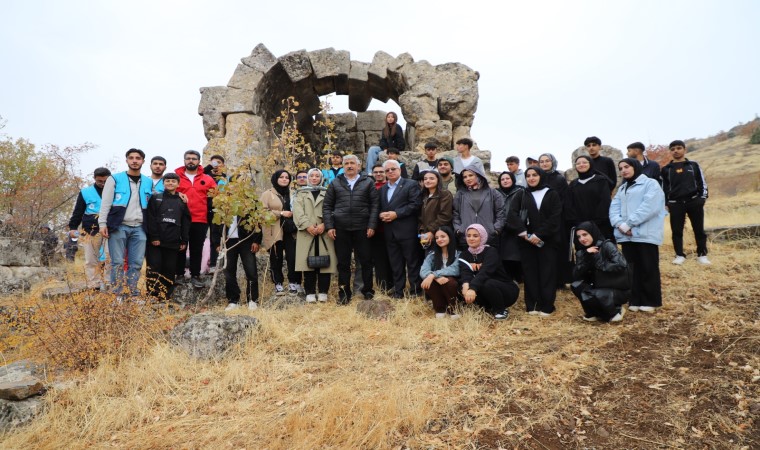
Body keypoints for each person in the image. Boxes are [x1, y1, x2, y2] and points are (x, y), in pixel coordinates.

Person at [609, 158, 666, 313]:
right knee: (631, 269)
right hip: (626, 236)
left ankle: (650, 301)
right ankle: (635, 299)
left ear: (635, 167)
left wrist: (629, 224)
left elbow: (649, 207)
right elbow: (613, 209)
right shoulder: (622, 188)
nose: (623, 170)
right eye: (621, 168)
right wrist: (620, 224)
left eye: (627, 167)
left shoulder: (650, 184)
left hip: (645, 233)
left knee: (648, 267)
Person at [323, 154, 379, 304]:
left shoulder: (368, 182)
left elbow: (375, 206)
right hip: (341, 229)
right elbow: (327, 206)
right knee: (343, 263)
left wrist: (372, 225)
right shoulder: (335, 182)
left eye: (352, 163)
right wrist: (329, 226)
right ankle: (344, 294)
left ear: (358, 166)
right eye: (346, 163)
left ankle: (367, 291)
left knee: (366, 261)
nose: (349, 166)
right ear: (343, 166)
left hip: (363, 228)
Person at [506, 167, 562, 316]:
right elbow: (512, 215)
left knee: (547, 273)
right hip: (526, 240)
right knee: (530, 273)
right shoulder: (522, 194)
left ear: (541, 176)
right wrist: (523, 232)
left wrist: (540, 234)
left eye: (534, 175)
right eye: (528, 175)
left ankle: (547, 306)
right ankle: (533, 305)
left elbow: (555, 217)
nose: (531, 178)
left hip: (547, 240)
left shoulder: (551, 193)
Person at [99, 148, 152, 298]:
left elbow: (155, 200)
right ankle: (118, 293)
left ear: (143, 161)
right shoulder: (114, 179)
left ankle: (132, 292)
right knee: (117, 262)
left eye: (138, 158)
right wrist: (102, 224)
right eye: (131, 158)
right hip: (119, 226)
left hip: (140, 227)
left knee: (136, 263)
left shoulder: (148, 181)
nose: (134, 161)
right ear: (127, 160)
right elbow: (105, 203)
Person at [661, 140, 710, 265]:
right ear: (670, 152)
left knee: (699, 229)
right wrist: (666, 203)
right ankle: (679, 255)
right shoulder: (666, 169)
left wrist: (702, 198)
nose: (676, 151)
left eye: (679, 148)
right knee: (676, 231)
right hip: (675, 203)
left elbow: (702, 182)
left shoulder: (693, 165)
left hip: (694, 201)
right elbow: (663, 188)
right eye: (672, 149)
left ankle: (702, 255)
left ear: (684, 149)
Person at [379, 159, 423, 298]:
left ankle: (415, 291)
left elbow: (415, 204)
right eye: (387, 170)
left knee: (412, 262)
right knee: (396, 264)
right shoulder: (383, 189)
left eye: (393, 169)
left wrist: (396, 214)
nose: (390, 172)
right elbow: (381, 207)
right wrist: (381, 214)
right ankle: (399, 292)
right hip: (390, 232)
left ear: (399, 169)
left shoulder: (411, 184)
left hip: (407, 231)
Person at [293, 168, 337, 303]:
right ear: (308, 178)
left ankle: (323, 292)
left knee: (325, 263)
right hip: (307, 232)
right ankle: (310, 292)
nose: (314, 178)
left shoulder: (328, 192)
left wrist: (325, 224)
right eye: (311, 175)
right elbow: (297, 211)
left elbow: (333, 209)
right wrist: (308, 225)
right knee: (308, 263)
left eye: (317, 176)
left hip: (324, 232)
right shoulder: (300, 193)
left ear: (321, 178)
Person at [459, 224, 519, 320]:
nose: (471, 238)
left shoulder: (491, 251)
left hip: (505, 290)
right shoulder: (464, 254)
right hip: (481, 288)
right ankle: (484, 308)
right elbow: (465, 272)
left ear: (482, 237)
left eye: (475, 236)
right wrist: (465, 285)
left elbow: (485, 272)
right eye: (468, 235)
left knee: (487, 283)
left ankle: (500, 310)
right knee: (461, 284)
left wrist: (472, 288)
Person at [571, 221, 629, 322]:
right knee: (576, 286)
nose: (582, 239)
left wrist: (600, 265)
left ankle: (616, 311)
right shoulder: (582, 251)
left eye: (585, 234)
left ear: (592, 232)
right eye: (579, 236)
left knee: (594, 294)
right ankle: (593, 313)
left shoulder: (607, 245)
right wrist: (586, 256)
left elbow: (622, 264)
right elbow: (576, 275)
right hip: (597, 285)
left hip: (616, 287)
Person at [175, 150, 217, 288]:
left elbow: (216, 195)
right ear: (184, 160)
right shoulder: (176, 177)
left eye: (194, 158)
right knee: (180, 247)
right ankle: (179, 274)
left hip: (200, 218)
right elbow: (169, 191)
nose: (191, 161)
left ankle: (195, 275)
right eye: (188, 158)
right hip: (180, 218)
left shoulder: (207, 179)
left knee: (196, 248)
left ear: (199, 161)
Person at [145, 173, 190, 301]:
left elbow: (186, 221)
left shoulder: (182, 201)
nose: (170, 183)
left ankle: (165, 296)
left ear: (178, 184)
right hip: (156, 241)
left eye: (173, 181)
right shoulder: (156, 198)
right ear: (163, 183)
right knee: (154, 267)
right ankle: (152, 295)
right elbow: (150, 218)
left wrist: (184, 240)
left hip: (173, 241)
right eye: (168, 181)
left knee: (169, 269)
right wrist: (154, 237)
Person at [211, 204, 263, 311]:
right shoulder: (223, 203)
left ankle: (252, 300)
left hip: (246, 240)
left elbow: (257, 222)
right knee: (229, 272)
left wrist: (256, 241)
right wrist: (217, 243)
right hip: (228, 242)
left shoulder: (248, 202)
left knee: (251, 271)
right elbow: (215, 225)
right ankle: (233, 300)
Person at [68, 167, 112, 289]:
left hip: (110, 230)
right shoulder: (85, 192)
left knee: (111, 258)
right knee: (91, 260)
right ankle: (94, 285)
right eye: (100, 181)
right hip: (90, 231)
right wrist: (73, 227)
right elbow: (78, 211)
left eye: (105, 181)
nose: (103, 184)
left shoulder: (116, 191)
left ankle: (109, 283)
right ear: (94, 179)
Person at [261, 169, 300, 293]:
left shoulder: (294, 193)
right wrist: (281, 213)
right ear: (275, 179)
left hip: (291, 231)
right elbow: (262, 213)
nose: (284, 179)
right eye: (281, 177)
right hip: (274, 231)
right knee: (276, 258)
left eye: (287, 177)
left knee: (293, 258)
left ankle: (293, 282)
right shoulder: (267, 194)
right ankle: (278, 283)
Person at [452, 164, 506, 249]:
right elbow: (455, 213)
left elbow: (501, 213)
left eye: (471, 175)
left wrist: (495, 230)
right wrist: (459, 229)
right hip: (466, 238)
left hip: (489, 238)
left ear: (478, 175)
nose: (467, 179)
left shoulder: (493, 193)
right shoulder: (460, 194)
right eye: (465, 177)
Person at [538, 153, 572, 286]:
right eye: (542, 161)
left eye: (547, 161)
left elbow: (564, 199)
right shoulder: (537, 178)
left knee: (559, 249)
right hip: (541, 219)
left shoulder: (559, 179)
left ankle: (560, 280)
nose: (544, 163)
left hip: (558, 219)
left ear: (552, 162)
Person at [565, 155, 614, 240]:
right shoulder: (573, 184)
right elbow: (569, 205)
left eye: (584, 162)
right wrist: (577, 223)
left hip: (600, 225)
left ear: (590, 164)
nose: (581, 165)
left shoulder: (601, 180)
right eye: (578, 163)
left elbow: (605, 202)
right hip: (580, 227)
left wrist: (595, 222)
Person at [419, 226, 461, 318]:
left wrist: (433, 275)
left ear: (450, 237)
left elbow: (455, 269)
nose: (439, 240)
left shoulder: (458, 254)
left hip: (455, 287)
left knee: (449, 281)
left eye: (443, 236)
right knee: (427, 282)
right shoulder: (432, 255)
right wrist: (435, 278)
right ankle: (440, 309)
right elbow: (423, 271)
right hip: (439, 285)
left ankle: (454, 309)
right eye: (437, 238)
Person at [496, 171, 525, 281]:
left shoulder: (521, 191)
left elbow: (523, 209)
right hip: (501, 228)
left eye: (507, 178)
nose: (505, 181)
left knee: (516, 254)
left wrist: (519, 224)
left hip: (516, 227)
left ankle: (518, 276)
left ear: (512, 180)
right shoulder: (496, 193)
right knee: (503, 254)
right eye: (502, 179)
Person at [370, 164, 394, 291]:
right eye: (376, 172)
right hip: (377, 230)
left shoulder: (391, 186)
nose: (378, 174)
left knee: (393, 258)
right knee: (379, 259)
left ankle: (393, 285)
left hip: (392, 228)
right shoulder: (370, 187)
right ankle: (383, 287)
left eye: (381, 171)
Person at [418, 170, 454, 247]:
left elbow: (445, 216)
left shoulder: (444, 194)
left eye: (431, 178)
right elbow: (421, 217)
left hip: (441, 234)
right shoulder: (424, 196)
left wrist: (431, 231)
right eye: (425, 179)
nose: (428, 181)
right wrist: (422, 232)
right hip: (427, 235)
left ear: (438, 180)